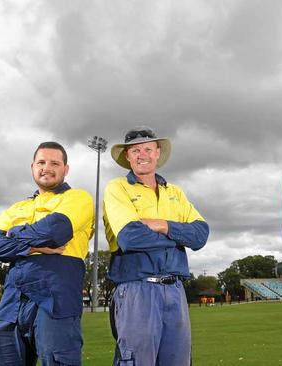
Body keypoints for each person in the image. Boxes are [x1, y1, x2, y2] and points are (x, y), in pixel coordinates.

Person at [0, 141, 94, 366]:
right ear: (33, 166)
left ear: (66, 169)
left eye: (54, 163)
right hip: (12, 300)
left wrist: (12, 234)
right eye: (41, 162)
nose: (47, 168)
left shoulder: (78, 198)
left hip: (55, 298)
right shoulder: (16, 207)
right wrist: (31, 247)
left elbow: (55, 232)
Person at [103, 126, 209, 366]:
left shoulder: (175, 192)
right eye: (136, 150)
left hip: (175, 289)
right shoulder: (117, 188)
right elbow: (130, 238)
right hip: (136, 288)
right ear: (128, 156)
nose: (142, 154)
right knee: (136, 361)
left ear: (157, 153)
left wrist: (161, 225)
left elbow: (201, 234)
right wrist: (179, 237)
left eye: (148, 149)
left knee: (179, 361)